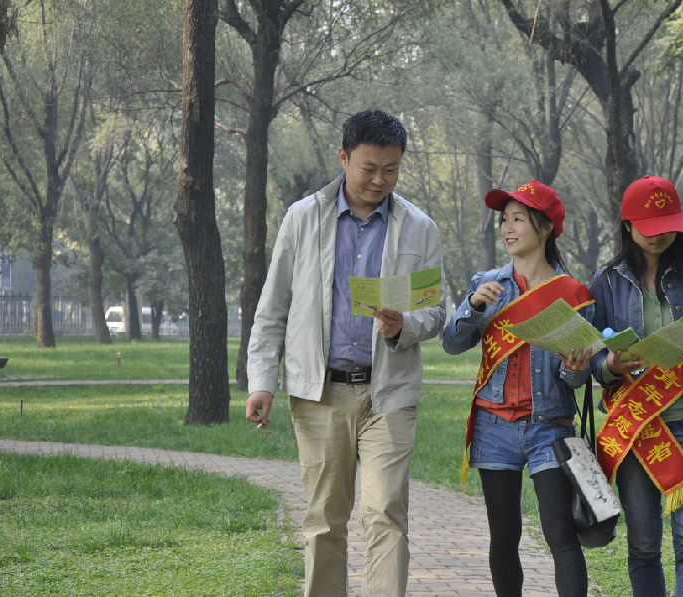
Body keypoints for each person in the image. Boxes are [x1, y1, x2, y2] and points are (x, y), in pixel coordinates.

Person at [245, 109, 446, 597]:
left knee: (386, 513)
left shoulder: (420, 227)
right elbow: (273, 308)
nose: (379, 180)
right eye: (369, 168)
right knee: (324, 519)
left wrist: (404, 325)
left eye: (390, 169)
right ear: (344, 157)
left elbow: (436, 311)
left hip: (388, 392)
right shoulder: (302, 218)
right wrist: (261, 382)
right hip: (319, 392)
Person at [442, 181, 595, 597]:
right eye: (504, 220)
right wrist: (473, 305)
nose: (508, 228)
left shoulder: (573, 294)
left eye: (518, 220)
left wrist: (576, 369)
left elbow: (579, 377)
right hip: (494, 426)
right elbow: (452, 343)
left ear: (545, 228)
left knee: (561, 534)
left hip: (550, 426)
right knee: (504, 534)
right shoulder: (488, 284)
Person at [589, 175, 683, 597]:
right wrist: (610, 365)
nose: (660, 236)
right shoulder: (606, 281)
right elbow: (593, 354)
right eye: (650, 228)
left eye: (668, 227)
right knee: (643, 546)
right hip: (636, 427)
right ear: (628, 226)